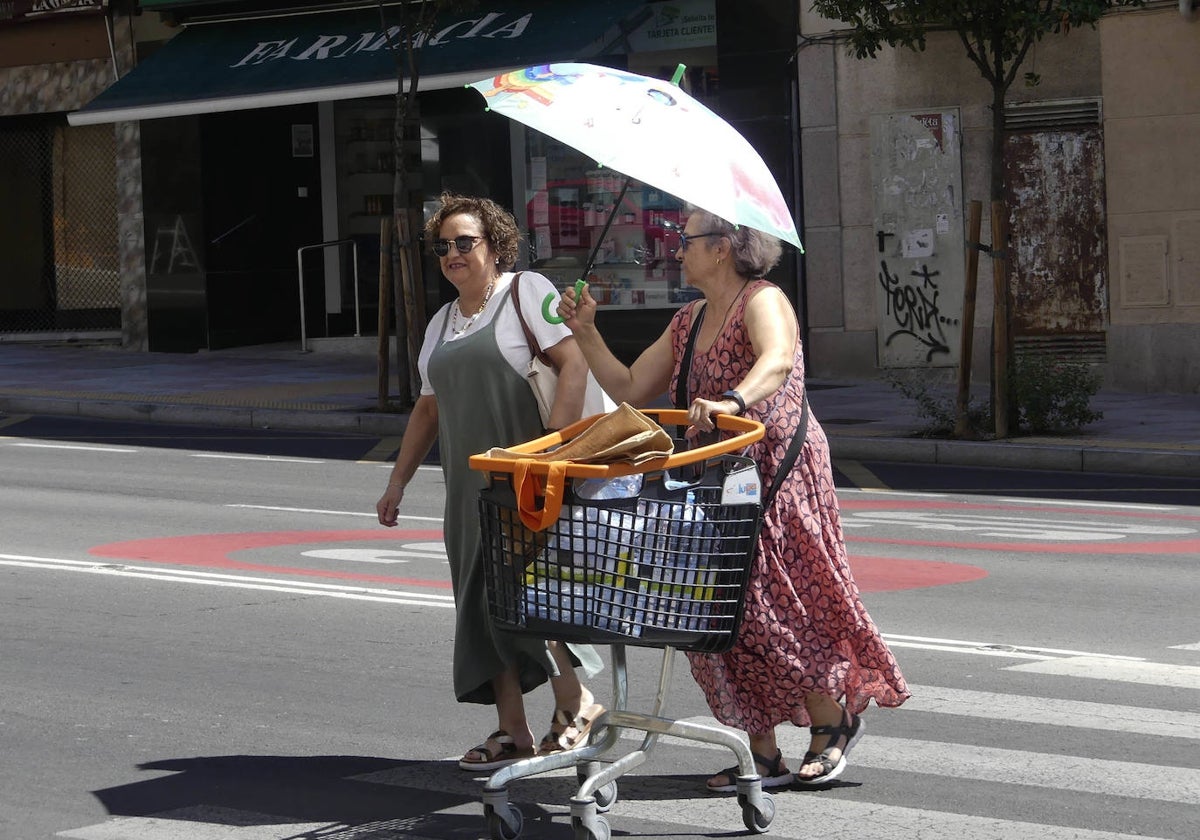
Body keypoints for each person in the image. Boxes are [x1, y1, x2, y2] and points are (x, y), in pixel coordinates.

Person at [556, 209, 910, 791]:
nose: (675, 250)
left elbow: (777, 361)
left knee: (790, 600)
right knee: (717, 610)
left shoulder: (763, 300)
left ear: (722, 247)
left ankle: (832, 723)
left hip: (779, 472)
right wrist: (587, 331)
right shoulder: (687, 320)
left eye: (685, 239)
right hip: (716, 482)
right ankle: (761, 750)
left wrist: (732, 400)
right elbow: (625, 389)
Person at [376, 192, 606, 772]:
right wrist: (398, 482)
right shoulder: (441, 323)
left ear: (495, 245)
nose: (453, 253)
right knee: (483, 602)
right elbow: (428, 409)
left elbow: (574, 364)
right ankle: (512, 729)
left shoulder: (528, 292)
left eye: (465, 242)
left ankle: (576, 704)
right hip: (467, 486)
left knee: (538, 592)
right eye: (443, 246)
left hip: (530, 478)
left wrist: (551, 447)